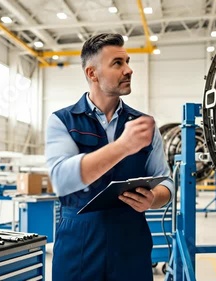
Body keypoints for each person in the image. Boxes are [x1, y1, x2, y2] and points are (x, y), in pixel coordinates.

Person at [45, 33, 175, 281]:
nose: (129, 70)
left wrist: (154, 198)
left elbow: (166, 182)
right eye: (118, 63)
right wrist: (123, 146)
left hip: (130, 243)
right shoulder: (63, 121)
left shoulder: (143, 125)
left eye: (127, 61)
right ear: (92, 74)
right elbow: (62, 179)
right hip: (79, 243)